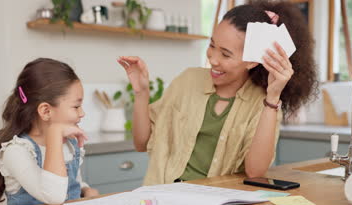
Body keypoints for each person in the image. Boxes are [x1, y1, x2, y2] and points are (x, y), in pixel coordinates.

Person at [117, 1, 318, 185]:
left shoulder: (264, 105)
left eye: (225, 54)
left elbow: (255, 171)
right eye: (212, 45)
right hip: (162, 197)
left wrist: (273, 97)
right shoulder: (188, 81)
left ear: (251, 61)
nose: (213, 58)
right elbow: (141, 143)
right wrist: (141, 92)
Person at [0, 58, 99, 205]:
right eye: (76, 106)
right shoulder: (16, 151)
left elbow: (70, 182)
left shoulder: (69, 145)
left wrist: (85, 190)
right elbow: (54, 196)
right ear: (45, 111)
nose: (82, 113)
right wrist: (55, 133)